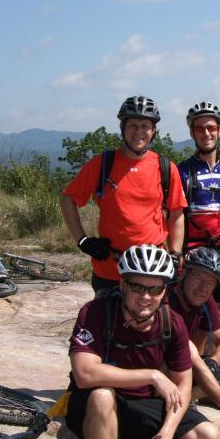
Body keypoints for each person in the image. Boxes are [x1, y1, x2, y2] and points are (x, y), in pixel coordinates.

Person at [65, 245, 220, 439]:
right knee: (101, 396)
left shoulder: (171, 322)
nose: (146, 297)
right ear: (122, 284)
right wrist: (151, 376)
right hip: (90, 404)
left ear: (165, 290)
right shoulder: (97, 312)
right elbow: (85, 374)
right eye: (137, 287)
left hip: (140, 405)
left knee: (207, 437)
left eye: (155, 289)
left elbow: (184, 385)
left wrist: (166, 433)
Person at [61, 96, 187, 295]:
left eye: (145, 126)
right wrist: (82, 240)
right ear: (122, 127)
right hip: (110, 269)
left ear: (153, 131)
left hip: (151, 268)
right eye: (133, 125)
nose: (139, 132)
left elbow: (177, 213)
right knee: (106, 324)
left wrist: (175, 252)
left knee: (152, 325)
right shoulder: (103, 164)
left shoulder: (165, 168)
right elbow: (68, 198)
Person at [167, 246, 220, 439]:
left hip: (188, 362)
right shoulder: (166, 299)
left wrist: (213, 362)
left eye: (211, 283)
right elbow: (188, 352)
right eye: (199, 278)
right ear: (183, 273)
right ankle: (179, 403)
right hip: (165, 367)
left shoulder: (205, 300)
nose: (204, 288)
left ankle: (190, 398)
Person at [178, 101, 220, 315]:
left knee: (217, 309)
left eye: (211, 128)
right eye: (199, 128)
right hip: (191, 251)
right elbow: (173, 218)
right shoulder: (182, 172)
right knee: (189, 310)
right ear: (192, 133)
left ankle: (208, 349)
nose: (206, 133)